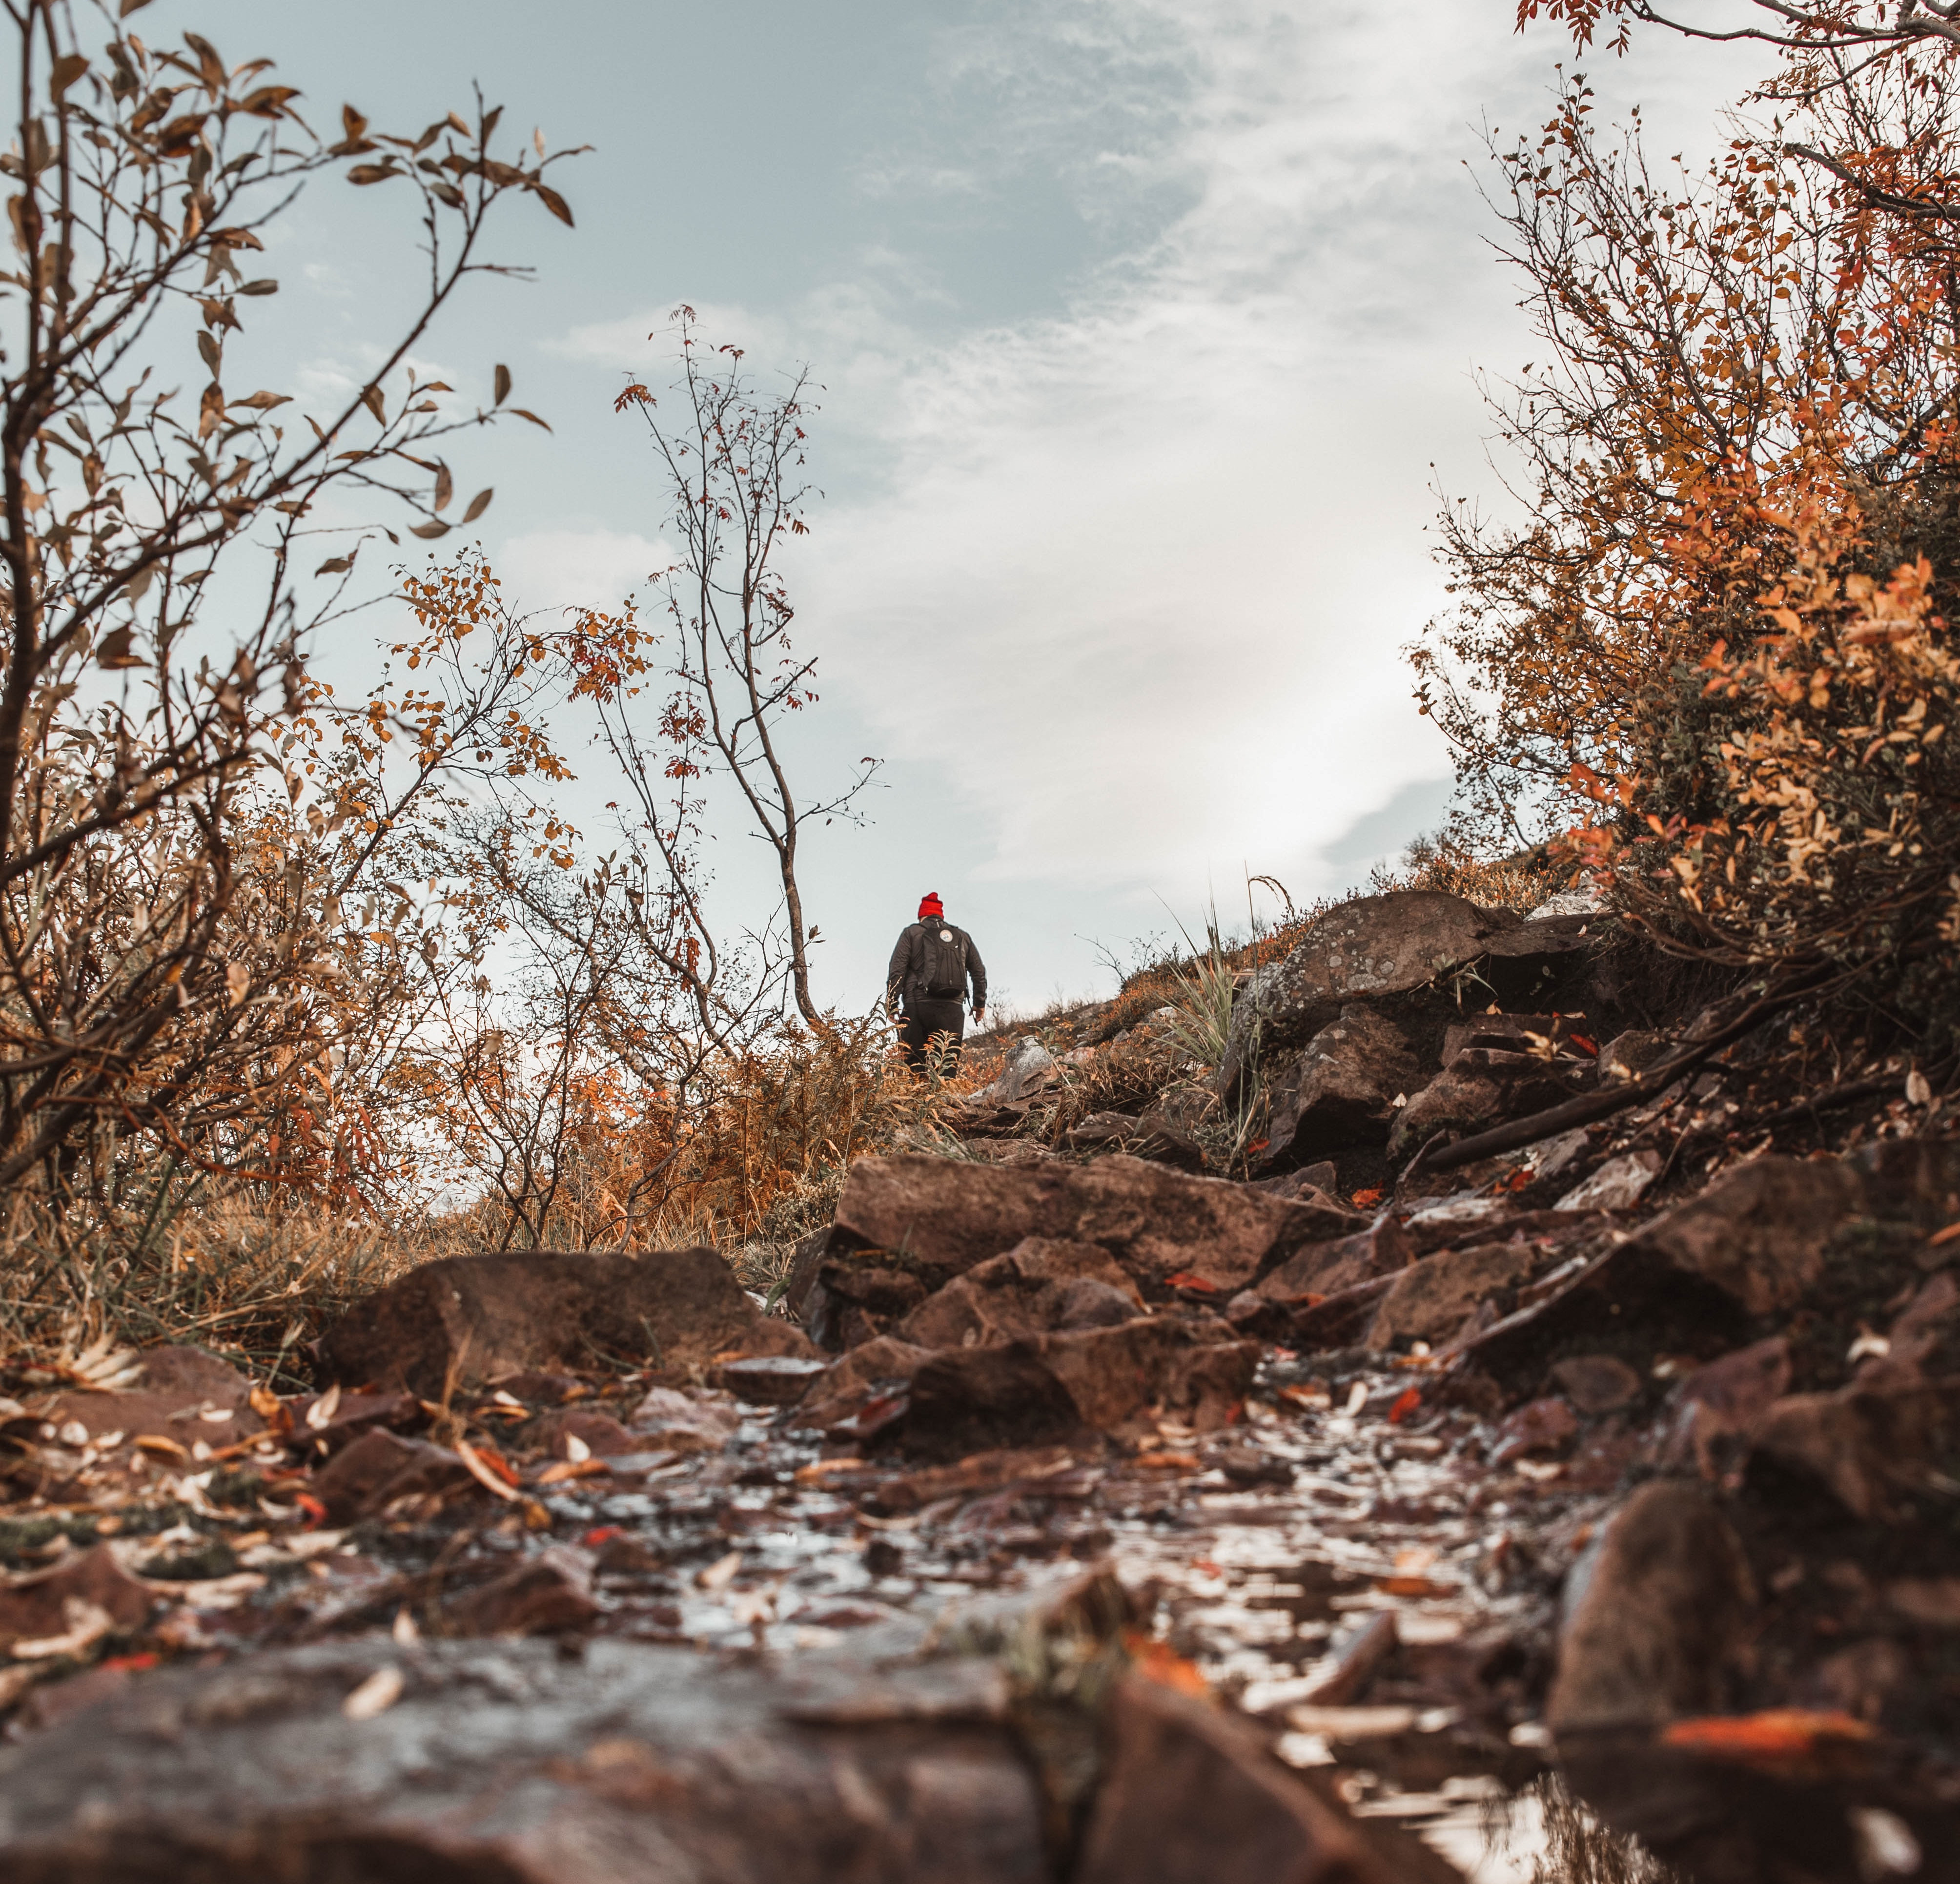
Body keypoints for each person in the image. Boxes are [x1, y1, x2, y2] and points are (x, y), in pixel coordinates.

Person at [886, 892, 986, 1074]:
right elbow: (979, 972)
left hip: (917, 1006)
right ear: (941, 915)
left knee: (915, 1068)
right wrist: (979, 1004)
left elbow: (897, 970)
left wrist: (892, 1004)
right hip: (953, 1008)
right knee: (947, 1066)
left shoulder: (911, 933)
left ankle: (920, 1101)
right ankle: (945, 1101)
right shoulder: (962, 936)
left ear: (921, 915)